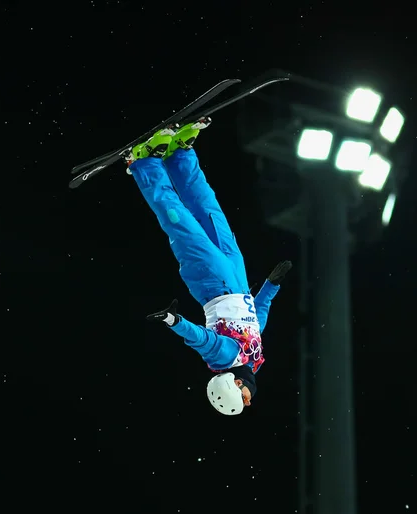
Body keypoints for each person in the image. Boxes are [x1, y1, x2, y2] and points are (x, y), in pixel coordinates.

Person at [124, 117, 292, 415]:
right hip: (237, 280)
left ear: (232, 387)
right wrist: (272, 285)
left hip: (212, 283)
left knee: (181, 222)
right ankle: (180, 154)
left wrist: (174, 322)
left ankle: (144, 162)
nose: (250, 398)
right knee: (210, 213)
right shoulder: (251, 358)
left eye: (243, 400)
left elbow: (199, 339)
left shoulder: (224, 358)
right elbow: (257, 317)